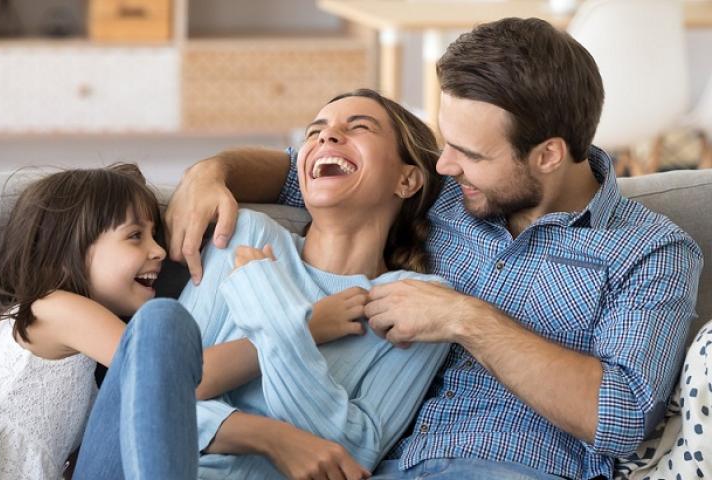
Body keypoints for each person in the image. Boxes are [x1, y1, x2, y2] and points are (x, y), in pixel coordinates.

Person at [165, 18, 703, 480]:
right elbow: (304, 170)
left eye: (467, 152)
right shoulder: (442, 190)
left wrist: (465, 318)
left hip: (508, 467)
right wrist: (212, 171)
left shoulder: (650, 251)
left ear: (548, 155)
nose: (443, 165)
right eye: (444, 142)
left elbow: (621, 416)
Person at [74, 88, 451, 479]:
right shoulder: (248, 235)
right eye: (315, 131)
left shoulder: (414, 303)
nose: (327, 136)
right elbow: (159, 393)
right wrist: (270, 435)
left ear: (407, 180)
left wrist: (273, 313)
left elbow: (348, 452)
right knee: (160, 321)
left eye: (359, 128)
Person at [0, 164, 202, 480]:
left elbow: (161, 412)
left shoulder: (85, 368)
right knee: (162, 327)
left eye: (154, 236)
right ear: (68, 253)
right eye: (135, 236)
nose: (159, 250)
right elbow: (168, 373)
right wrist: (256, 344)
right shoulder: (55, 309)